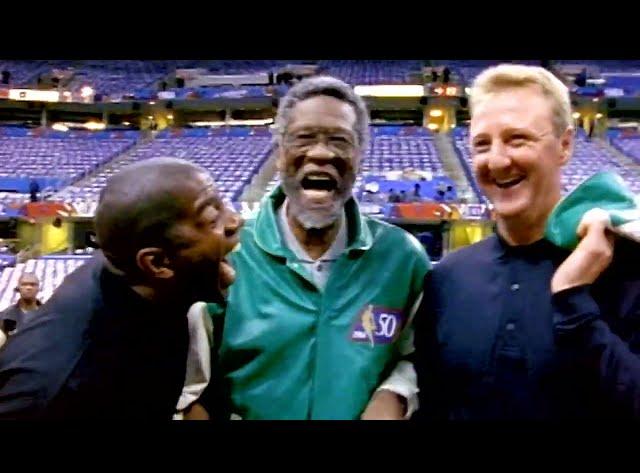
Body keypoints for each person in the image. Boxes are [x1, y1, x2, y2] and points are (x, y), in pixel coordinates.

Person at [414, 64, 640, 419]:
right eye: (482, 144)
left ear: (564, 145)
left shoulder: (626, 265)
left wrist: (573, 302)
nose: (498, 160)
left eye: (517, 139)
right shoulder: (447, 279)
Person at [205, 76, 430, 420]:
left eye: (340, 140)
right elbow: (190, 381)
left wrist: (396, 394)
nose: (321, 153)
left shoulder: (402, 258)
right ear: (280, 153)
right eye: (304, 138)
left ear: (359, 157)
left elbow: (418, 355)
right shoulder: (228, 255)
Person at [0, 158, 243, 419]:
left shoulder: (137, 274)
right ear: (158, 263)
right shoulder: (58, 390)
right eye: (211, 219)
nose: (235, 221)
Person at [0, 272, 42, 342]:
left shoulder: (48, 314)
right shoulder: (5, 316)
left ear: (38, 288)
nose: (29, 287)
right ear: (18, 288)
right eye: (24, 284)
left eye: (33, 284)